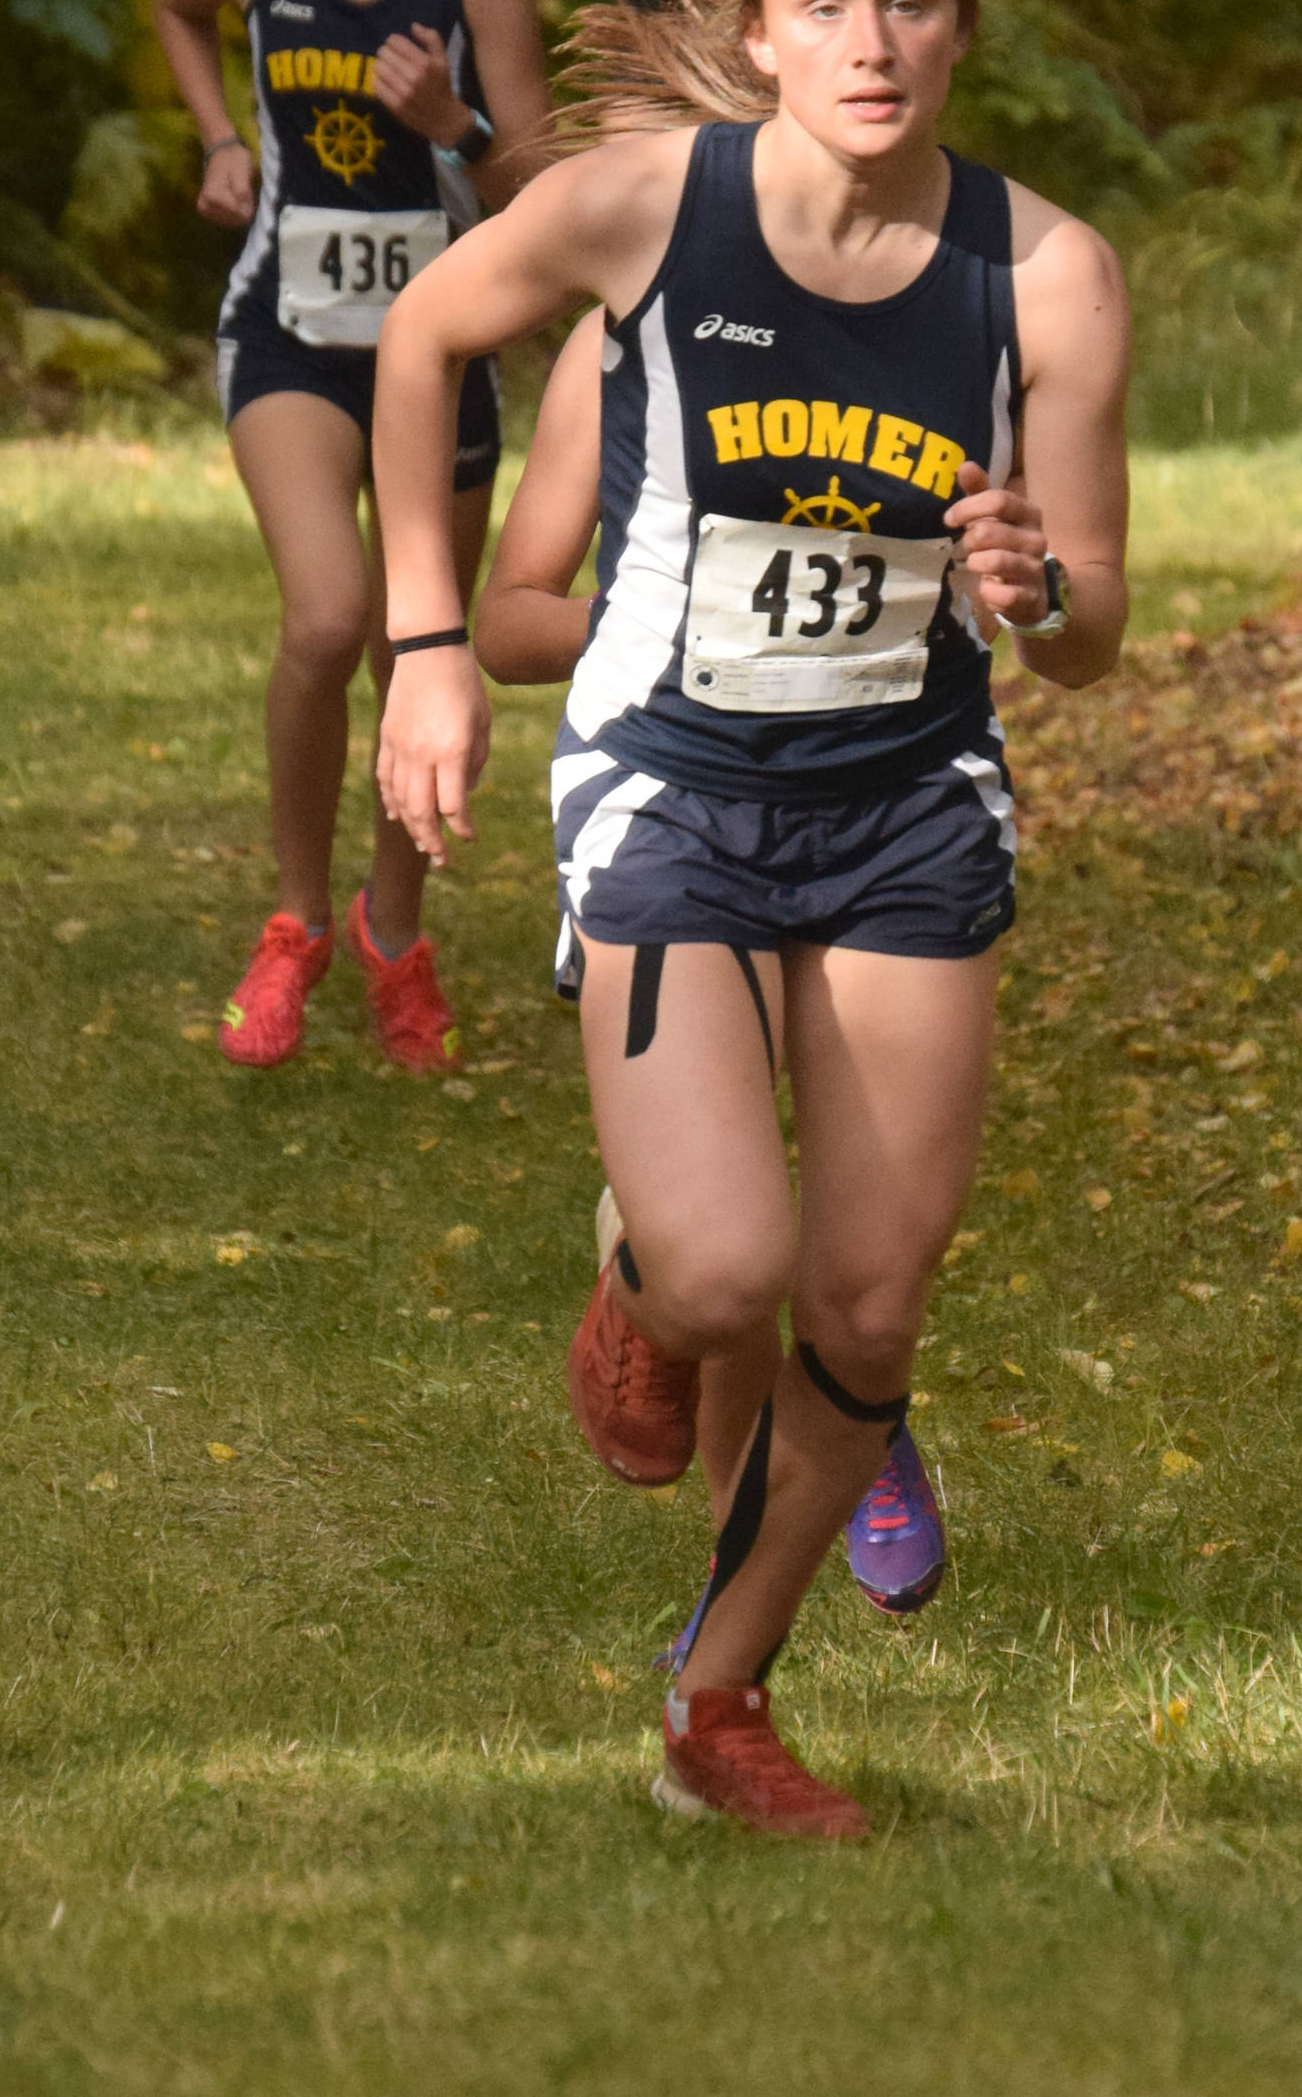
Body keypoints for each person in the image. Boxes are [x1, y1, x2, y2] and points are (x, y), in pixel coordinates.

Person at [374, 0, 1130, 1840]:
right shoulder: (650, 213)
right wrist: (431, 647)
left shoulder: (1042, 274)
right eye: (827, 8)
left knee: (868, 1310)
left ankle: (719, 1703)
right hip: (669, 789)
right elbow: (416, 343)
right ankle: (640, 1278)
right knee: (728, 1266)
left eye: (908, 5)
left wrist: (1033, 582)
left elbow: (1097, 631)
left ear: (960, 27)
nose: (870, 44)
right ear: (766, 35)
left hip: (907, 808)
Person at [474, 313, 949, 1634]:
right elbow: (506, 624)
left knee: (867, 1223)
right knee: (735, 1217)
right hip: (679, 799)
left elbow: (1059, 589)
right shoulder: (626, 337)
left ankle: (857, 1396)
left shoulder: (950, 316)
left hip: (886, 805)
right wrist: (656, 614)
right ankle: (741, 1533)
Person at [153, 0, 548, 1073]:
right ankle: (296, 925)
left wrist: (453, 123)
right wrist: (218, 142)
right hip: (290, 335)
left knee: (409, 648)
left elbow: (541, 192)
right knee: (328, 621)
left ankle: (395, 930)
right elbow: (175, 9)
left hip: (440, 355)